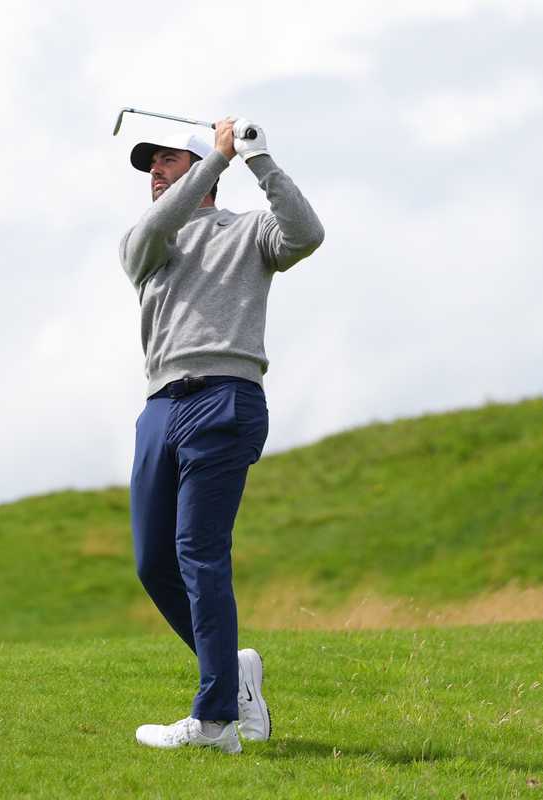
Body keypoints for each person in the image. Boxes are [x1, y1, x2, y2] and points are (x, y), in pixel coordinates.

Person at [119, 116, 324, 754]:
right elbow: (157, 224)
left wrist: (257, 160)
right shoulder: (146, 241)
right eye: (149, 165)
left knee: (199, 553)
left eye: (165, 162)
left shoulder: (247, 231)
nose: (155, 173)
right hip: (160, 406)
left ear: (198, 169)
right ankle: (235, 674)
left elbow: (306, 234)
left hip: (225, 398)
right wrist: (216, 157)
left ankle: (214, 720)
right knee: (154, 563)